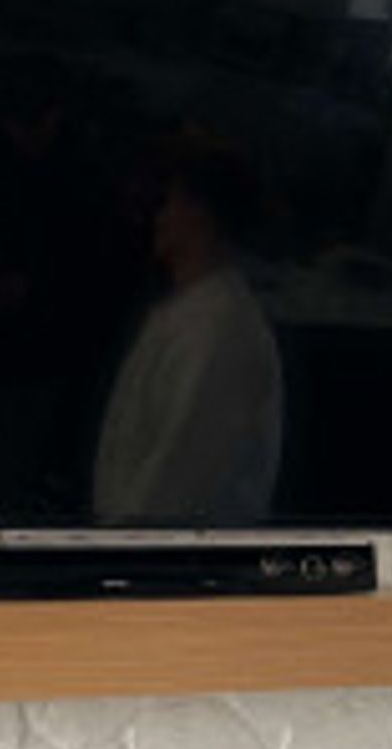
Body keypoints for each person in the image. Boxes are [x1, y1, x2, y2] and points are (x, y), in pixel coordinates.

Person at [93, 127, 282, 526]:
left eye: (169, 202)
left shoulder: (218, 334)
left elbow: (175, 484)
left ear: (198, 212)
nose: (157, 216)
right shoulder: (193, 315)